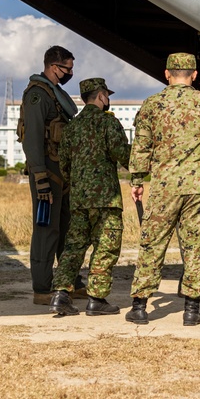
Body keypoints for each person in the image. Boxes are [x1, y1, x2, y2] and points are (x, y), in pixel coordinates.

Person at [125, 53, 200, 326]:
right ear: (194, 75)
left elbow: (141, 146)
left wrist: (137, 181)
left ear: (166, 73)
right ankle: (191, 310)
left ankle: (139, 307)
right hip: (198, 186)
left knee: (153, 243)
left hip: (164, 185)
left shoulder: (152, 104)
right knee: (195, 245)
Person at [49, 78, 130, 317]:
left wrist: (77, 185)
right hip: (106, 198)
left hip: (79, 199)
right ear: (102, 96)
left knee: (73, 247)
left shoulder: (72, 127)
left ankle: (60, 295)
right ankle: (97, 299)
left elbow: (63, 164)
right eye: (107, 96)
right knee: (106, 246)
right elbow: (122, 153)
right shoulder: (108, 122)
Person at [19, 45, 82, 305]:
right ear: (54, 67)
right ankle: (42, 288)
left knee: (67, 229)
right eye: (67, 69)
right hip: (47, 173)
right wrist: (39, 176)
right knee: (46, 230)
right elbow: (31, 138)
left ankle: (70, 282)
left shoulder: (56, 94)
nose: (70, 73)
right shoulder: (37, 95)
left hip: (62, 171)